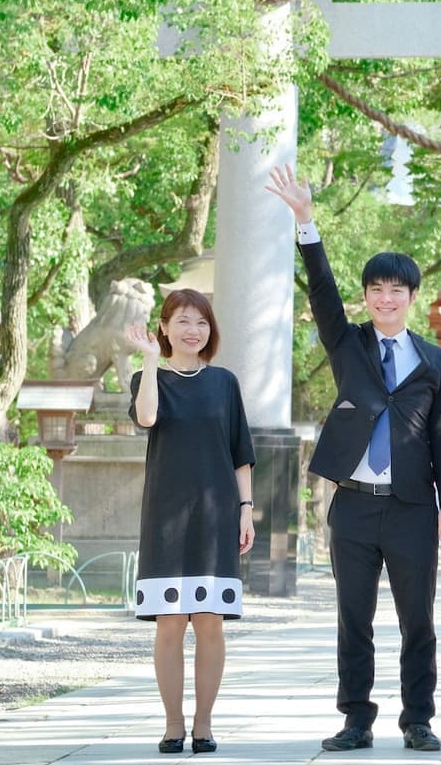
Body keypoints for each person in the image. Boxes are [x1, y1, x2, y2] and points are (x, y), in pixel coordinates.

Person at [265, 163, 441, 754]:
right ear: (368, 296)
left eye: (395, 289)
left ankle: (418, 719)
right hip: (351, 505)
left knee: (417, 622)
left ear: (411, 297)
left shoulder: (432, 359)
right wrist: (306, 222)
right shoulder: (348, 343)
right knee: (353, 619)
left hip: (410, 508)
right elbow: (321, 288)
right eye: (376, 289)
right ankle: (356, 719)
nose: (385, 297)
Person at [126, 288, 256, 756]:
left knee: (210, 622)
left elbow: (242, 452)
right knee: (169, 622)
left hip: (218, 513)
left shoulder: (224, 382)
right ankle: (172, 723)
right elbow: (146, 417)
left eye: (200, 322)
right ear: (164, 328)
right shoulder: (149, 377)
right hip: (164, 515)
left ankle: (203, 724)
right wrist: (148, 362)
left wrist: (246, 509)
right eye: (181, 321)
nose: (192, 330)